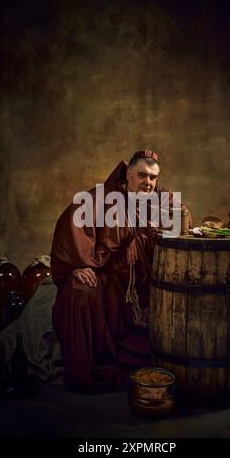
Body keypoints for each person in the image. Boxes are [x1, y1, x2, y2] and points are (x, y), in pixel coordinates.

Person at [51, 150, 192, 393]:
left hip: (141, 280)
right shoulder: (101, 197)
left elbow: (182, 221)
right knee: (80, 291)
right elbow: (72, 226)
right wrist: (79, 264)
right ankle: (89, 368)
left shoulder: (161, 198)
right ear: (128, 174)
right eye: (142, 176)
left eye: (153, 178)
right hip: (107, 274)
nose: (148, 183)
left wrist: (141, 237)